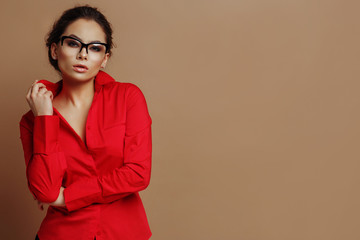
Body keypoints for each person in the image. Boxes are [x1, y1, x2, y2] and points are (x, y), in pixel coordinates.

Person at [19, 5, 152, 240]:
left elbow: (137, 173)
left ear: (104, 59)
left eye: (95, 48)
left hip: (123, 232)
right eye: (73, 43)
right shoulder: (33, 120)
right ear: (54, 49)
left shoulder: (128, 97)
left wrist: (67, 197)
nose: (83, 54)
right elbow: (46, 190)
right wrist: (44, 119)